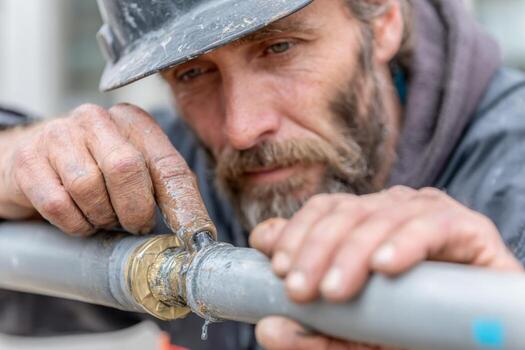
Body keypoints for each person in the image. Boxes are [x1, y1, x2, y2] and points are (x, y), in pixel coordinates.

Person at [1, 0, 525, 349]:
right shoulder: (177, 167)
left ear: (384, 18)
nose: (243, 128)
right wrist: (14, 158)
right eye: (192, 71)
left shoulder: (510, 183)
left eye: (280, 47)